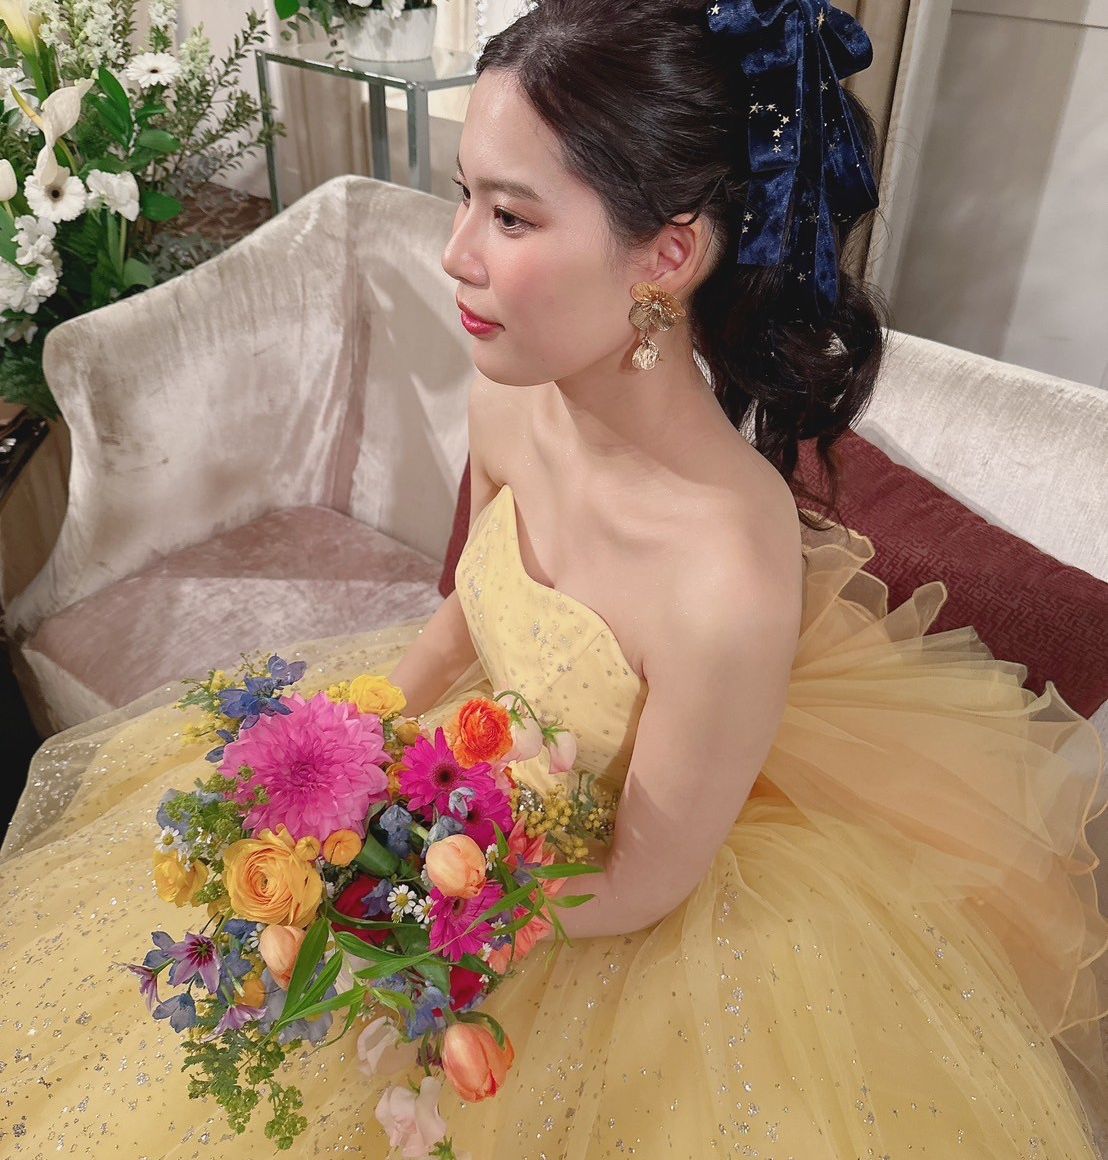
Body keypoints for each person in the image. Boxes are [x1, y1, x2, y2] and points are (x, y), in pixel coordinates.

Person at [2, 1, 1105, 1156]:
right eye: (464, 195)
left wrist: (406, 901)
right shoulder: (509, 401)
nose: (455, 252)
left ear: (667, 256)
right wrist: (358, 736)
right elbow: (465, 610)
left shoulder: (725, 571)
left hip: (595, 908)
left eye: (511, 214)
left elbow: (640, 879)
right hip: (463, 806)